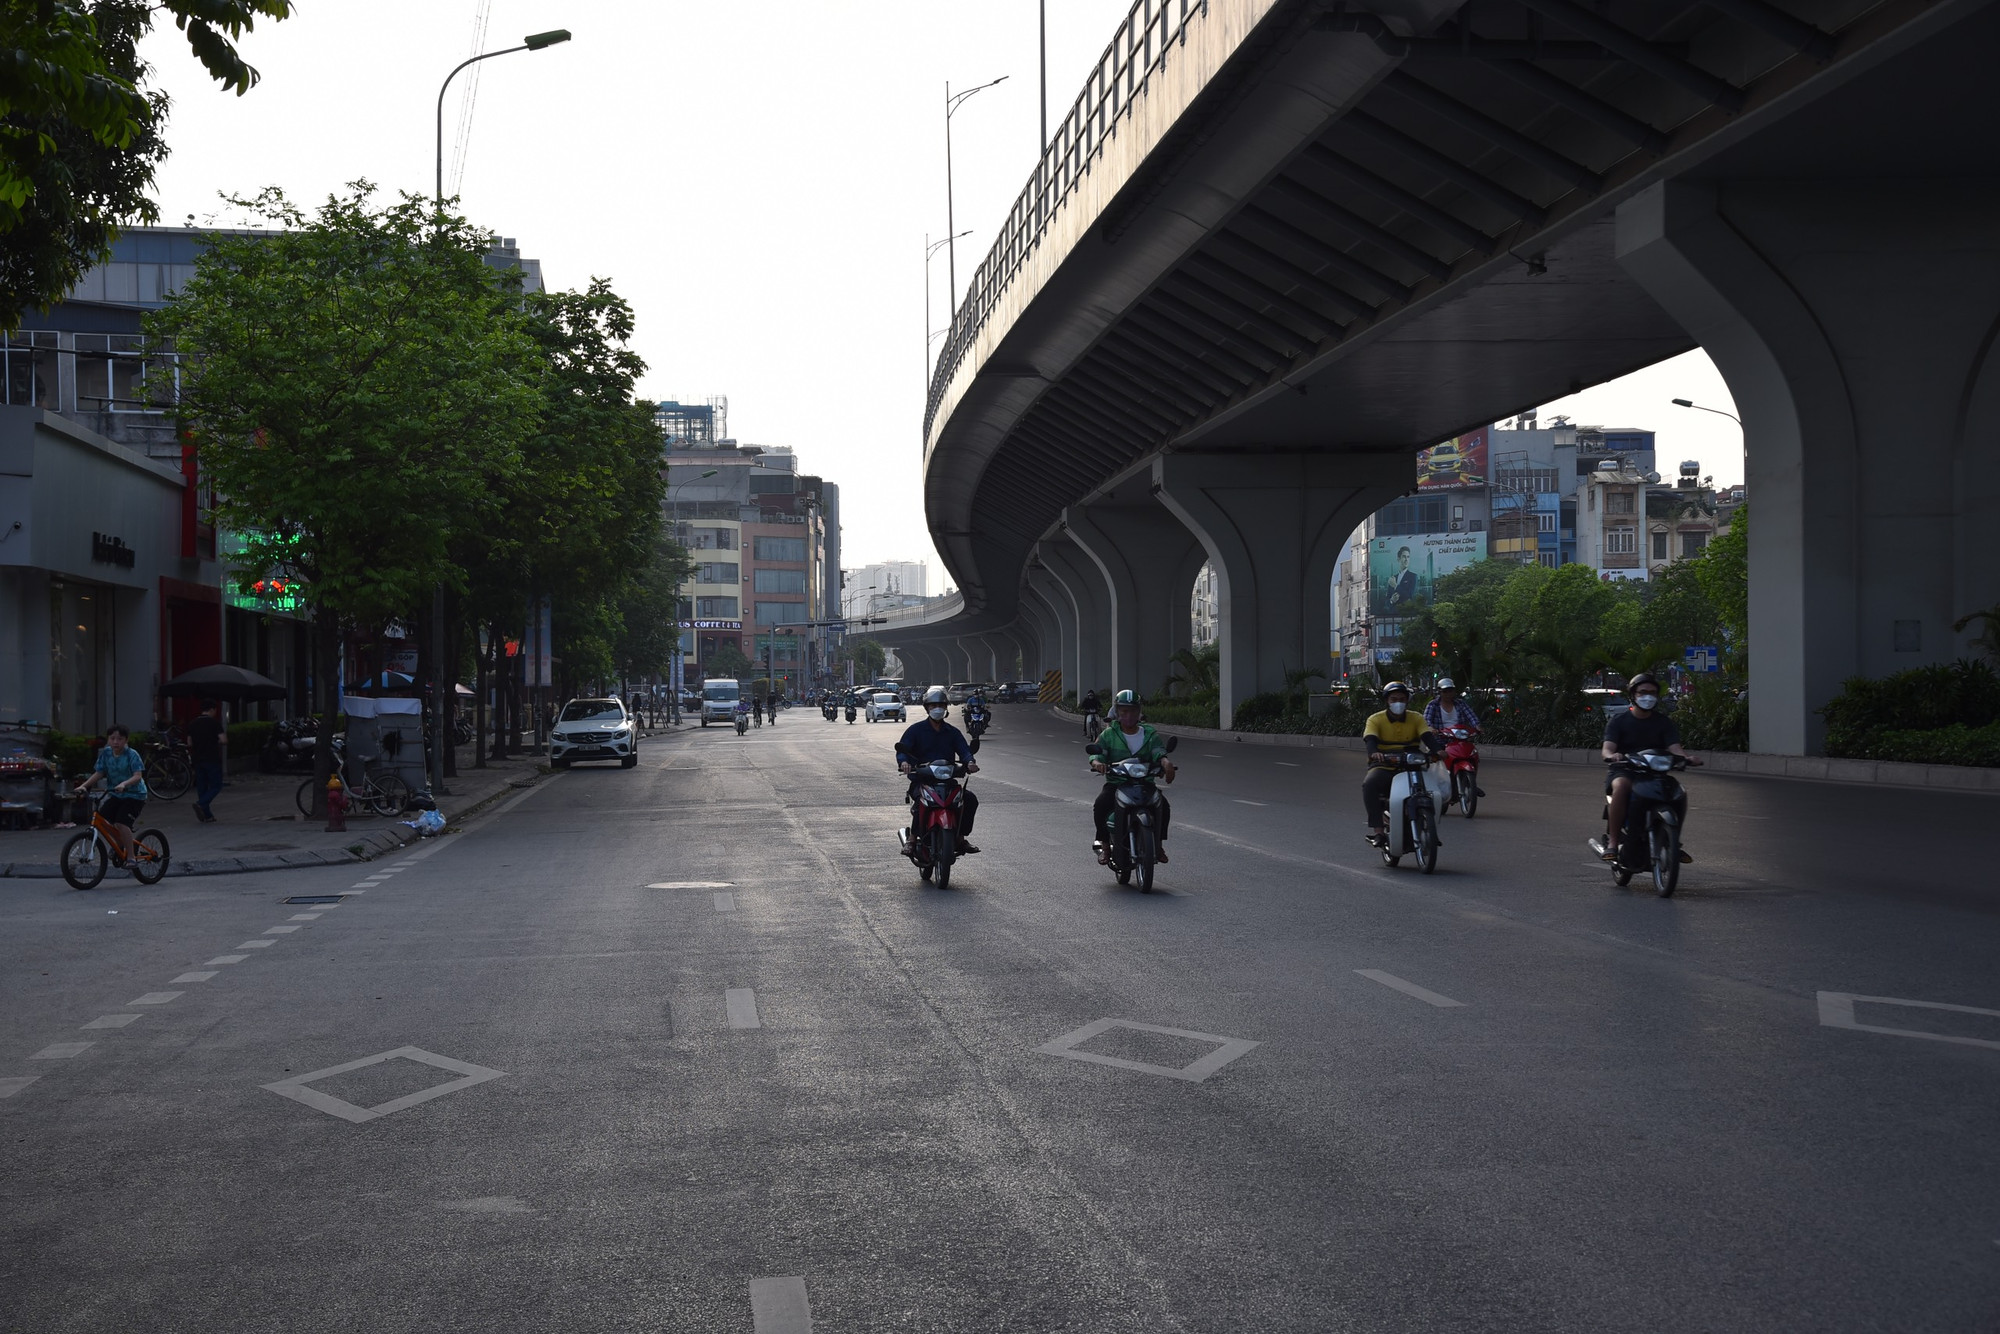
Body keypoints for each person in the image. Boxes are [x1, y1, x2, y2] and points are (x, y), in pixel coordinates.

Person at [1601, 672, 1702, 862]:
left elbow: (1675, 749)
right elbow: (1607, 749)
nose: (1648, 696)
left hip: (1655, 773)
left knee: (1679, 792)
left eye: (1652, 693)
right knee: (1621, 787)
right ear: (1634, 695)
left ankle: (1673, 842)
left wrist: (1687, 758)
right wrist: (1612, 756)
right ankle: (1613, 843)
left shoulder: (1664, 722)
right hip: (1624, 770)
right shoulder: (1618, 722)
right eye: (1643, 692)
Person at [1089, 689, 1174, 864]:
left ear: (1139, 711)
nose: (1129, 715)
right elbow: (1097, 754)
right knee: (1101, 804)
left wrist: (1165, 763)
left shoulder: (1149, 734)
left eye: (1133, 711)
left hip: (1144, 782)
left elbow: (1159, 752)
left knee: (1163, 806)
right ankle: (1105, 846)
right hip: (1117, 783)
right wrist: (1098, 763)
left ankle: (1157, 845)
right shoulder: (1109, 734)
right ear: (1117, 712)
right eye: (1124, 711)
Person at [896, 686, 980, 853]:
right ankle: (912, 840)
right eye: (933, 706)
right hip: (922, 780)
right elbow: (903, 750)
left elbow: (964, 750)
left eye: (941, 706)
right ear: (927, 708)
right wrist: (904, 762)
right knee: (921, 801)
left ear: (946, 708)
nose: (937, 709)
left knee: (969, 799)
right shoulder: (916, 730)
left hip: (947, 780)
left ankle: (960, 838)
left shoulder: (952, 732)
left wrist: (969, 761)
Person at [1362, 680, 1440, 847]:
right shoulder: (1375, 719)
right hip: (1384, 764)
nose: (1398, 703)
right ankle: (1379, 831)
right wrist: (1374, 753)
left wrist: (1438, 751)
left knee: (1433, 790)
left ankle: (1429, 827)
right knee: (1370, 784)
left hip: (1412, 765)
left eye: (1402, 699)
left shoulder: (1416, 718)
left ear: (1407, 701)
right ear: (1387, 701)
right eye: (1394, 699)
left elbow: (1427, 737)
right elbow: (1370, 740)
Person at [73, 724, 147, 863]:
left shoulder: (132, 754)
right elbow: (99, 772)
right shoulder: (106, 753)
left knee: (121, 822)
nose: (115, 742)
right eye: (112, 738)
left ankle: (131, 857)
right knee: (103, 818)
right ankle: (120, 843)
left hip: (135, 795)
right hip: (116, 793)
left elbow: (138, 776)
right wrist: (83, 786)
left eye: (119, 739)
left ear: (126, 740)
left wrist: (124, 784)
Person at [1422, 678, 1485, 799]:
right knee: (1433, 759)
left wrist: (1478, 726)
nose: (1448, 693)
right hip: (1440, 740)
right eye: (1445, 691)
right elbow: (1426, 721)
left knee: (1472, 754)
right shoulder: (1433, 705)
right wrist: (1430, 728)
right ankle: (1432, 786)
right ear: (1439, 692)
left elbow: (1471, 717)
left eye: (1451, 690)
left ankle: (1470, 782)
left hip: (1460, 740)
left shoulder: (1460, 704)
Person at [188, 698, 225, 823]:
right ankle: (201, 803)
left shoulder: (192, 723)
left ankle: (208, 815)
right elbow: (224, 740)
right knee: (216, 785)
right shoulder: (214, 723)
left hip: (198, 758)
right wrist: (216, 742)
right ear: (212, 709)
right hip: (212, 758)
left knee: (202, 787)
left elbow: (189, 742)